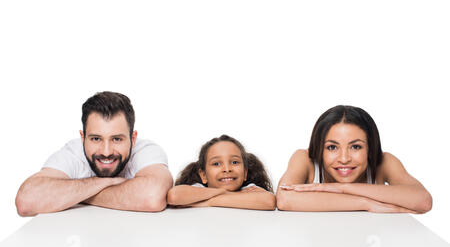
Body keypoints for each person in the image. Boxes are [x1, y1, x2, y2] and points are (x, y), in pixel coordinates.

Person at [15, 91, 173, 216]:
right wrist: (106, 182)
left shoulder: (146, 150)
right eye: (96, 138)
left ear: (133, 139)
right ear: (83, 138)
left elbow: (153, 197)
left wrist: (76, 194)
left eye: (116, 139)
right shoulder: (73, 152)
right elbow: (26, 201)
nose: (106, 152)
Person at [276, 105, 432, 213]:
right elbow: (284, 199)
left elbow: (422, 201)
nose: (344, 159)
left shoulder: (385, 162)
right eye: (332, 147)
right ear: (319, 147)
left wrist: (340, 188)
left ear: (370, 148)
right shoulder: (304, 159)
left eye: (356, 147)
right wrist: (365, 203)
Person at [167, 135, 276, 210]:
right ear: (203, 175)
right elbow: (174, 196)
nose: (227, 169)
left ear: (245, 173)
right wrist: (225, 192)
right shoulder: (199, 188)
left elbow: (269, 201)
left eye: (234, 162)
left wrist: (208, 202)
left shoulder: (249, 189)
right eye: (216, 164)